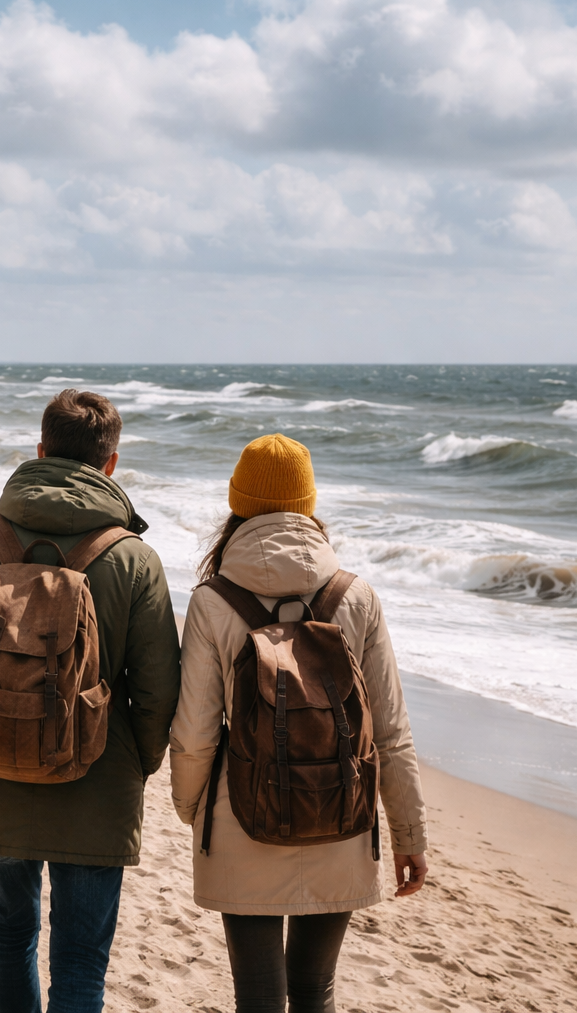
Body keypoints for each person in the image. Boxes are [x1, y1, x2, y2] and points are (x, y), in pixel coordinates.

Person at [0, 390, 181, 1013]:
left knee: (8, 933)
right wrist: (133, 762)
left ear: (40, 452)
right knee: (82, 959)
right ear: (111, 464)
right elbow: (159, 691)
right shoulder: (135, 560)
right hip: (97, 781)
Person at [168, 434, 429, 1013]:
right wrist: (409, 835)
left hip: (241, 812)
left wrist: (194, 809)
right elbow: (389, 730)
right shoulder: (355, 595)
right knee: (316, 989)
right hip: (341, 811)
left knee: (257, 997)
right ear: (309, 504)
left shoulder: (214, 600)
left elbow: (195, 732)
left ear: (238, 502)